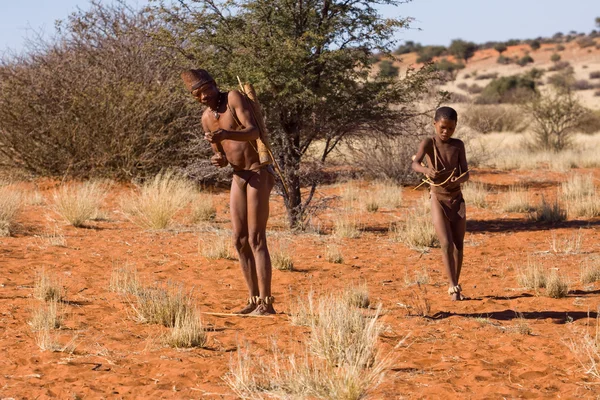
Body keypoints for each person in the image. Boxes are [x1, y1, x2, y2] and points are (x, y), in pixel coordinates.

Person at [181, 69, 276, 315]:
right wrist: (219, 159)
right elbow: (220, 153)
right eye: (196, 95)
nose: (202, 97)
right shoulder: (206, 118)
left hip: (258, 172)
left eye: (204, 90)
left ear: (214, 84)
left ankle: (267, 303)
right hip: (238, 176)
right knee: (239, 240)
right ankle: (253, 299)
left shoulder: (233, 98)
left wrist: (227, 134)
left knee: (256, 238)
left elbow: (253, 131)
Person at [411, 106, 470, 301]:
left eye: (451, 128)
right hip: (438, 197)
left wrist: (457, 180)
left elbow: (466, 173)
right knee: (445, 243)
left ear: (455, 127)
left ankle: (456, 286)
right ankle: (453, 286)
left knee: (458, 245)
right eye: (443, 127)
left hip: (457, 199)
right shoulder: (429, 143)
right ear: (434, 124)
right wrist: (426, 171)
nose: (446, 132)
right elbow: (415, 163)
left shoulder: (458, 145)